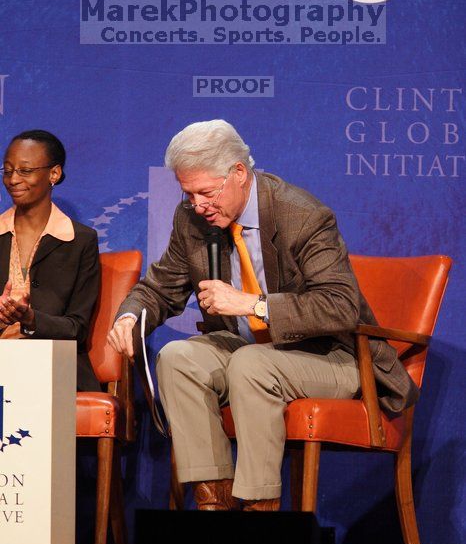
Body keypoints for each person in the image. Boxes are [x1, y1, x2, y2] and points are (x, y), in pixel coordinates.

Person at [108, 119, 419, 511]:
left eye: (206, 192)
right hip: (246, 349)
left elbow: (340, 304)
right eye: (189, 194)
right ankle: (213, 506)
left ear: (239, 172)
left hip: (330, 356)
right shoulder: (192, 220)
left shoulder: (301, 216)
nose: (198, 205)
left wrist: (254, 305)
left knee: (252, 364)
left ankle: (259, 513)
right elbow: (159, 287)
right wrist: (129, 318)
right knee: (178, 358)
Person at [0, 130, 100, 391]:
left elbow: (76, 328)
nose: (13, 179)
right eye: (8, 170)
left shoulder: (80, 241)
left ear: (53, 174)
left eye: (25, 170)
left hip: (53, 365)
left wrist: (31, 319)